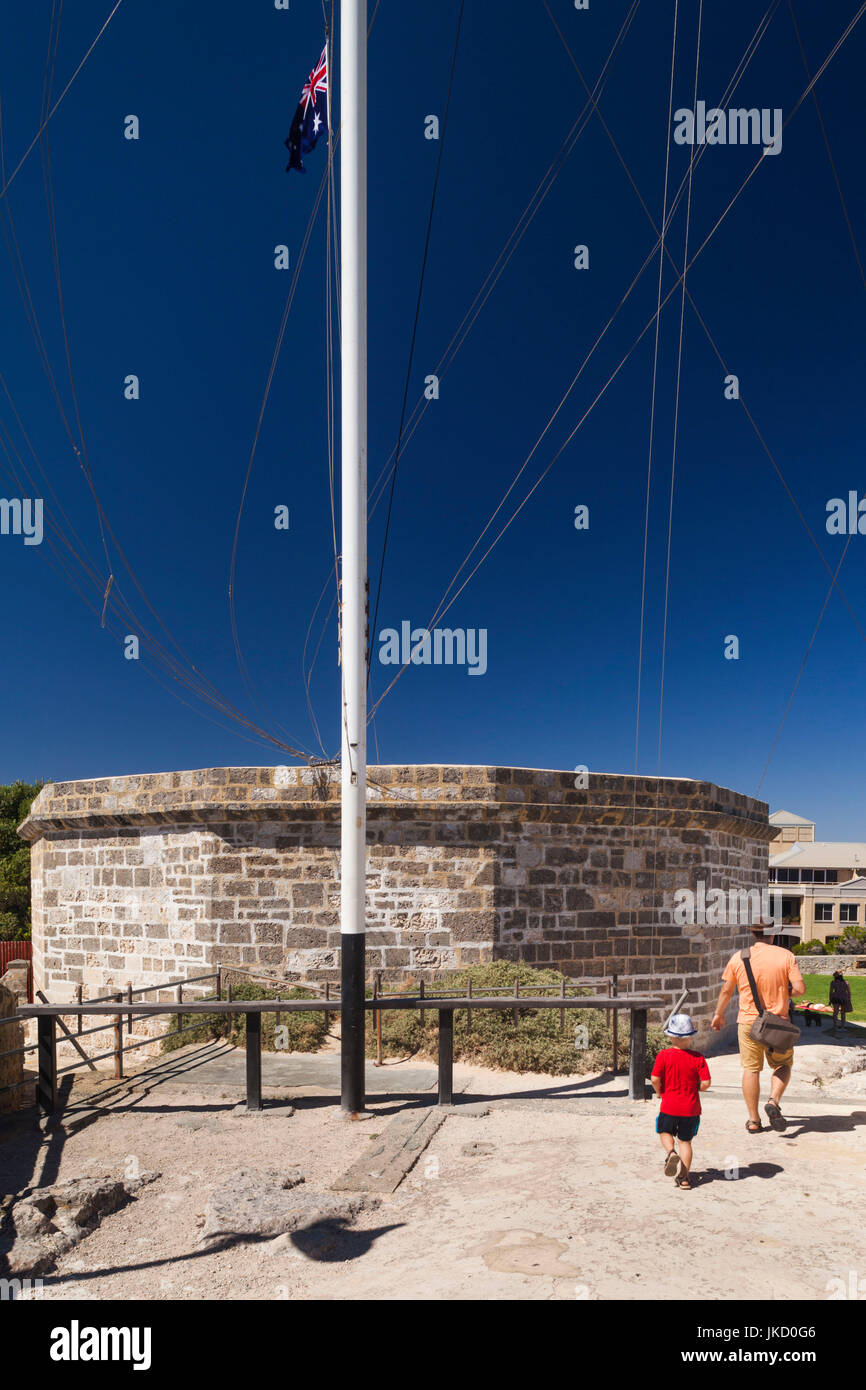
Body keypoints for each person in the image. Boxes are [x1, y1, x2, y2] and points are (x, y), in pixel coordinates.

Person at [712, 917, 805, 1133]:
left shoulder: (739, 957)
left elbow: (726, 990)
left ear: (753, 934)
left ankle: (754, 1121)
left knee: (751, 1070)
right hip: (778, 1023)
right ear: (772, 934)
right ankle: (773, 1101)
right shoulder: (786, 956)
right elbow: (800, 989)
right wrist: (784, 991)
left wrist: (719, 1014)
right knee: (783, 1065)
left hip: (748, 1022)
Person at [650, 1013, 711, 1191]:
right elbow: (706, 1083)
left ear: (670, 1036)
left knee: (664, 1131)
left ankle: (670, 1152)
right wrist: (698, 1089)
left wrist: (660, 1092)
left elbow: (654, 1078)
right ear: (691, 1036)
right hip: (691, 1108)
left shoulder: (663, 1055)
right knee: (685, 1142)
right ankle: (684, 1178)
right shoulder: (698, 1058)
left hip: (669, 1105)